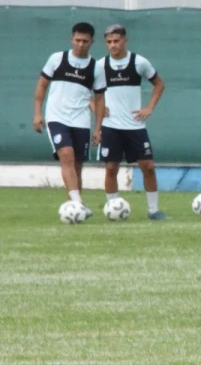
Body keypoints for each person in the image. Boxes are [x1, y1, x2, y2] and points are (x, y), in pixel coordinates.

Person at [33, 22, 106, 217]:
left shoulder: (96, 68)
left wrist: (98, 128)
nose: (81, 44)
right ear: (71, 39)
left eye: (85, 41)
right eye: (77, 40)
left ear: (92, 42)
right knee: (67, 156)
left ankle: (72, 204)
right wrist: (38, 113)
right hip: (57, 117)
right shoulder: (57, 59)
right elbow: (41, 86)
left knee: (77, 165)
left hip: (81, 120)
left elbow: (99, 99)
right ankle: (78, 204)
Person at [98, 24, 168, 219]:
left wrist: (149, 108)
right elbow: (87, 90)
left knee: (148, 166)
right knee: (111, 168)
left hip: (135, 126)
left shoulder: (139, 62)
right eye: (109, 42)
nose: (113, 45)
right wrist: (96, 107)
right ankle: (112, 208)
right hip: (111, 126)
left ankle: (153, 211)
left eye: (116, 41)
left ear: (125, 41)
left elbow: (159, 84)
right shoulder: (100, 65)